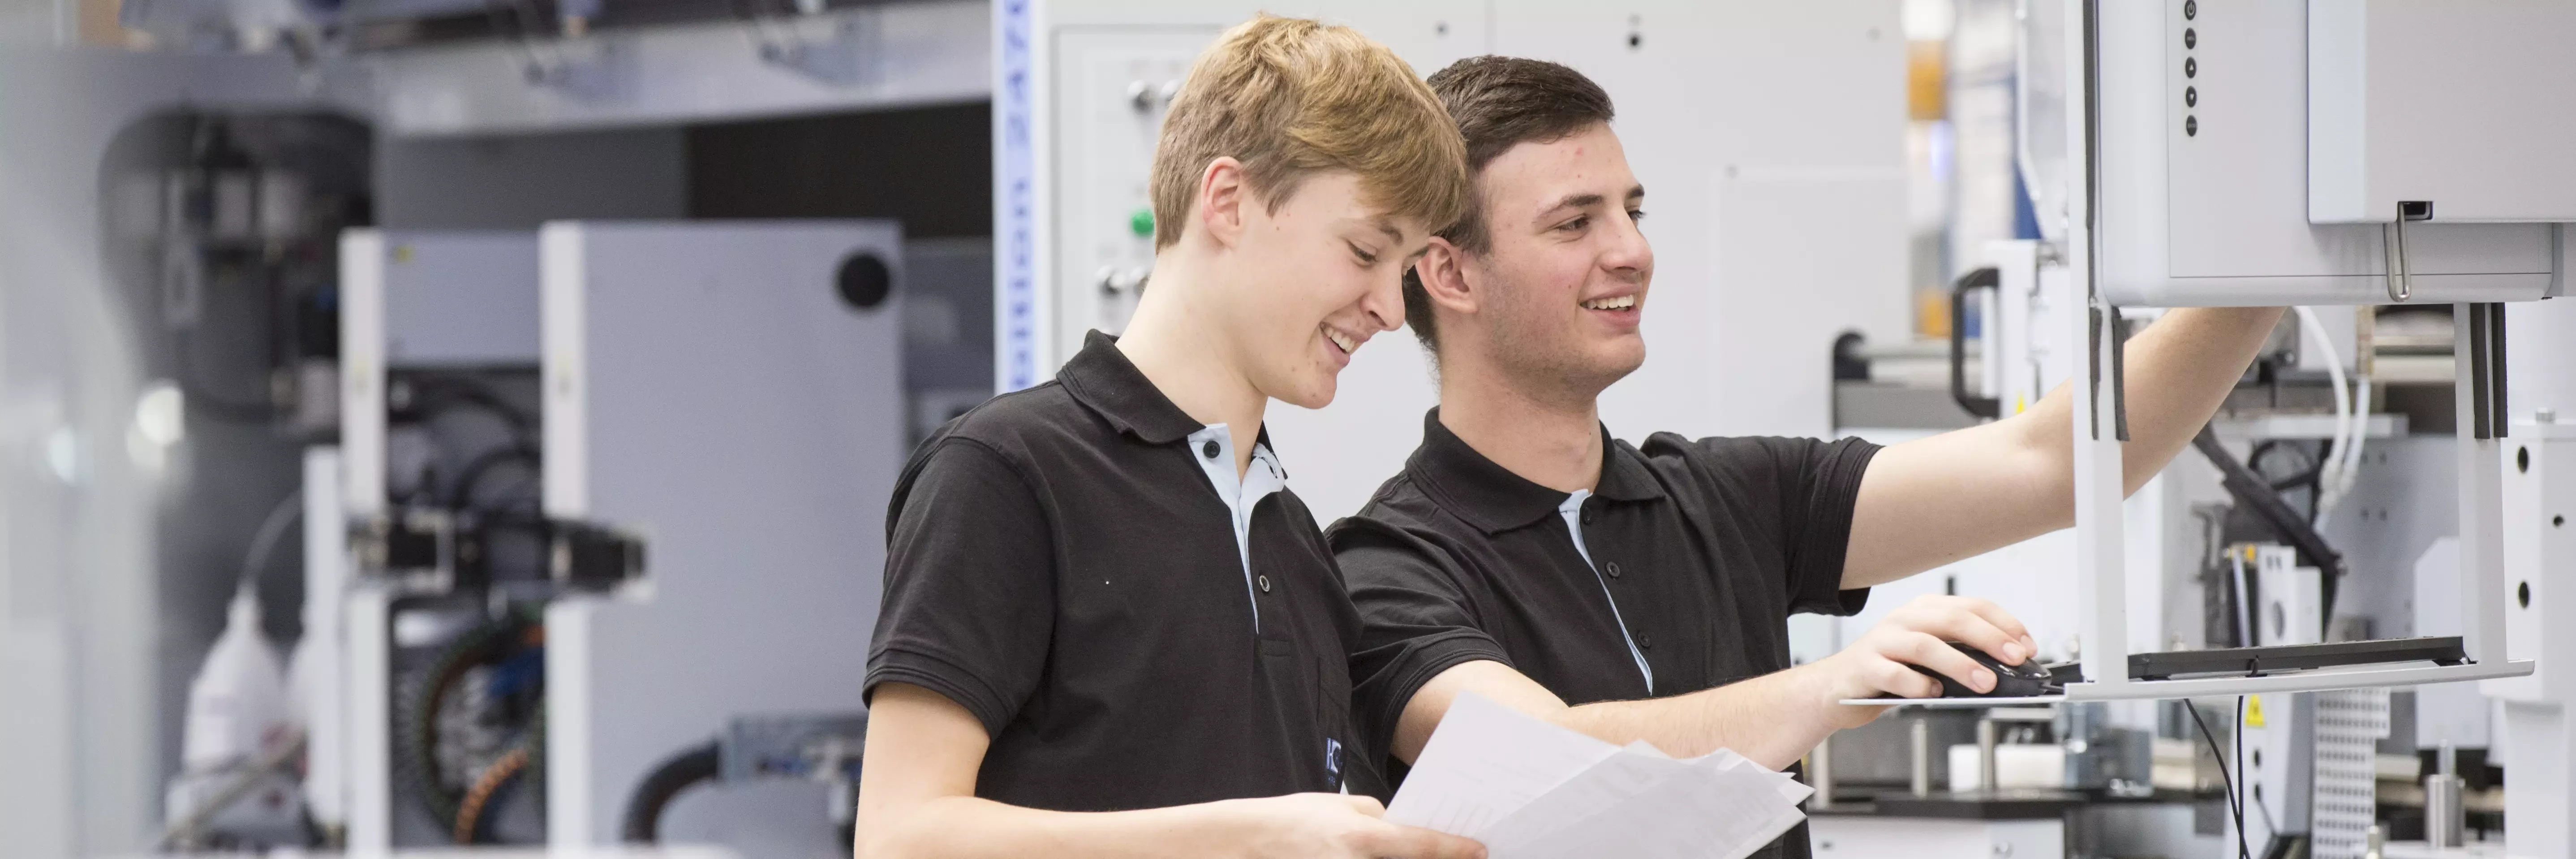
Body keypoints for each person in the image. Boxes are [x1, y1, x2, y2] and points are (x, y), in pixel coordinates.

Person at [1330, 56, 2285, 859]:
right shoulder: (1383, 566)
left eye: (1633, 208)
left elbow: (2055, 463)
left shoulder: (1729, 497)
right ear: (1450, 273)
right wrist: (1827, 687)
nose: (1632, 250)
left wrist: (2265, 267)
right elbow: (1552, 758)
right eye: (1575, 223)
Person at [853, 16, 1484, 859]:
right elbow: (900, 837)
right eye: (1365, 250)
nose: (1385, 306)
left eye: (1401, 270)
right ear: (1226, 201)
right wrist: (1256, 836)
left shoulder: (1292, 540)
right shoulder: (1006, 473)